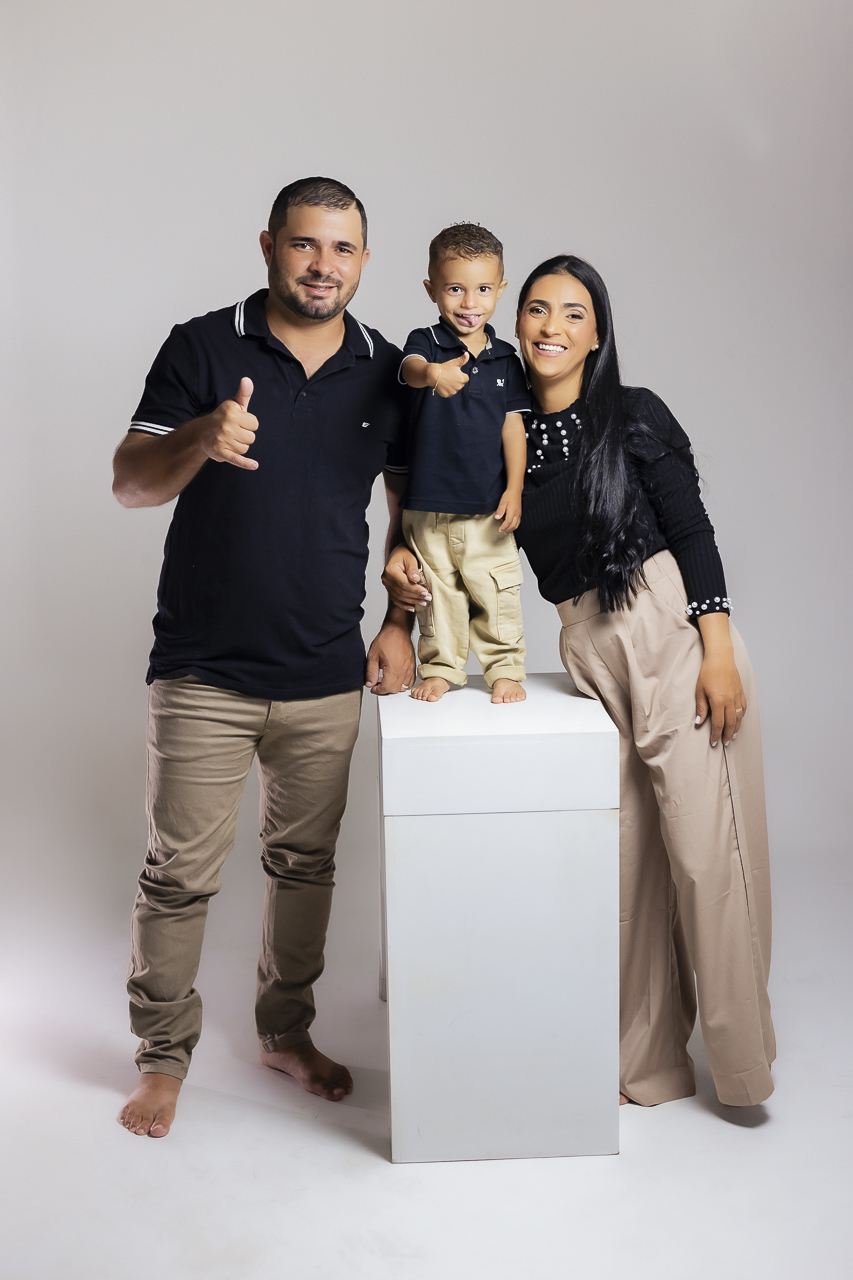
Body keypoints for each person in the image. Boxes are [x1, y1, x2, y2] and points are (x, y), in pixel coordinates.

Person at [385, 254, 775, 1109]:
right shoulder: (500, 422)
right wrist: (403, 563)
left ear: (596, 333)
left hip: (669, 629)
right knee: (629, 865)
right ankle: (647, 1066)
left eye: (571, 312)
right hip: (585, 646)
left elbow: (692, 529)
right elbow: (442, 511)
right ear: (513, 321)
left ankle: (742, 1066)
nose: (551, 327)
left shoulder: (632, 413)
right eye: (535, 309)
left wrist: (714, 646)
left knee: (707, 857)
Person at [112, 176, 415, 1138]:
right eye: (304, 244)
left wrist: (397, 623)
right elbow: (129, 482)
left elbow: (408, 508)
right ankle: (162, 1059)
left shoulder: (389, 368)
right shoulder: (202, 345)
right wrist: (201, 435)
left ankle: (285, 1033)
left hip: (326, 670)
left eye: (342, 248)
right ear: (269, 245)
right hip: (203, 670)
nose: (322, 265)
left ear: (363, 261)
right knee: (177, 878)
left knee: (305, 868)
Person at [397, 223, 530, 704]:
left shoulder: (506, 360)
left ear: (501, 289)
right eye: (455, 289)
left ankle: (505, 669)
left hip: (487, 506)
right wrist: (433, 373)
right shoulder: (426, 343)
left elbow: (513, 427)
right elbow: (409, 370)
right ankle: (441, 668)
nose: (470, 302)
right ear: (431, 288)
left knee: (496, 591)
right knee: (437, 594)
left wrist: (514, 488)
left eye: (483, 289)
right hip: (428, 504)